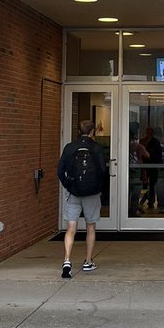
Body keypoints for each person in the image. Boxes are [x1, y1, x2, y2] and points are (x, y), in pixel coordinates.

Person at [57, 119, 106, 278]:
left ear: (79, 131)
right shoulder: (97, 148)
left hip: (74, 192)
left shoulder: (70, 147)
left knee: (71, 228)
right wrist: (98, 187)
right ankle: (88, 261)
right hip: (91, 193)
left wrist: (68, 185)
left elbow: (60, 170)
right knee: (90, 226)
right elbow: (102, 171)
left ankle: (67, 260)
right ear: (93, 131)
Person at [141, 126, 164, 211]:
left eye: (149, 131)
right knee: (148, 185)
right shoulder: (143, 141)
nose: (148, 133)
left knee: (152, 184)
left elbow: (157, 154)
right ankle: (148, 201)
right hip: (145, 165)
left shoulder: (155, 141)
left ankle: (150, 201)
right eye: (147, 131)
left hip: (153, 165)